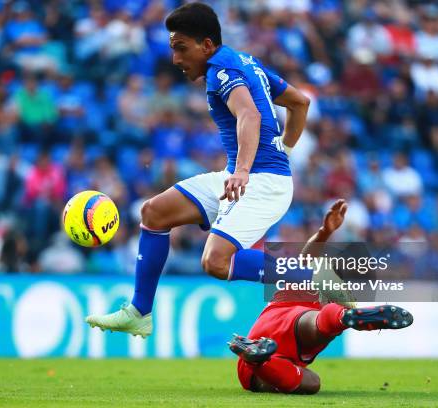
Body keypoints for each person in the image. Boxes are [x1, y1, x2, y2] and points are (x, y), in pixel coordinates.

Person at [86, 2, 310, 337]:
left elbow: (250, 115)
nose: (175, 59)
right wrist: (284, 153)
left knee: (215, 262)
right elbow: (300, 102)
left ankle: (315, 278)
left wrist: (247, 170)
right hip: (248, 174)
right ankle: (139, 312)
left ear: (206, 45)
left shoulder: (222, 71)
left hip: (258, 182)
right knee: (154, 212)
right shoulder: (245, 61)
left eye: (181, 48)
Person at [229, 199, 413, 394]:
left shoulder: (304, 276)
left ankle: (259, 358)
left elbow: (308, 258)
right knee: (314, 365)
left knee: (293, 371)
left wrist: (325, 231)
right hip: (302, 324)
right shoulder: (337, 293)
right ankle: (341, 318)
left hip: (267, 331)